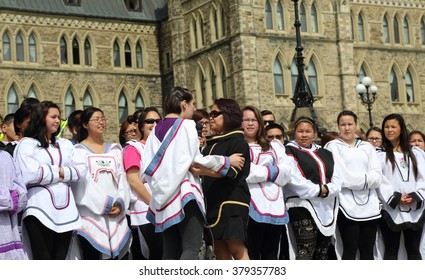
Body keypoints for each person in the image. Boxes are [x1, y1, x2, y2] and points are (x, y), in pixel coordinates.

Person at [142, 87, 244, 260]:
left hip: (162, 198)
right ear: (183, 104)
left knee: (171, 250)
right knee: (191, 246)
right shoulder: (187, 125)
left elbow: (146, 169)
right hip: (185, 194)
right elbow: (196, 161)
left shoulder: (155, 131)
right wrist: (227, 161)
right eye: (193, 104)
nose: (194, 109)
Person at [14, 101, 86, 259]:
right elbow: (30, 174)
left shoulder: (65, 144)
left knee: (60, 259)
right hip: (38, 209)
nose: (57, 120)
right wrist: (63, 173)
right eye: (53, 116)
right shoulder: (27, 144)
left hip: (67, 210)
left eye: (59, 117)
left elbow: (82, 169)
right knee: (42, 258)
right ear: (41, 118)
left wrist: (54, 172)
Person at [195, 98, 251, 260]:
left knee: (237, 250)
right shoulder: (211, 144)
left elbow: (231, 172)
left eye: (215, 113)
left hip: (231, 203)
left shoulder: (238, 141)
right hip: (212, 203)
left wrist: (203, 170)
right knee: (221, 253)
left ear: (227, 115)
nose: (210, 118)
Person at [72, 107, 131, 260]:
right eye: (96, 119)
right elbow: (83, 183)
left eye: (103, 119)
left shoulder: (115, 150)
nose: (101, 122)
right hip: (91, 215)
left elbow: (122, 179)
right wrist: (105, 204)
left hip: (116, 214)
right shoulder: (78, 152)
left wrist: (119, 203)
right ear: (85, 125)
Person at [324, 110, 382, 260]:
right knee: (350, 248)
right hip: (346, 204)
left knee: (368, 250)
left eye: (350, 124)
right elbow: (342, 177)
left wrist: (360, 181)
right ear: (338, 126)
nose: (347, 128)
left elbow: (377, 176)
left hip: (370, 204)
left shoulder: (367, 147)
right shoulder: (333, 146)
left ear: (356, 125)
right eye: (343, 124)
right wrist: (366, 181)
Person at [285, 116, 341, 259]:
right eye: (300, 131)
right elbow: (294, 178)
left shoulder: (325, 152)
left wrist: (329, 190)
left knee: (322, 250)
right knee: (305, 250)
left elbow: (337, 177)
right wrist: (318, 190)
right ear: (294, 133)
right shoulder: (289, 151)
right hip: (302, 205)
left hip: (326, 204)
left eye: (308, 131)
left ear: (314, 134)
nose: (304, 135)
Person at [241, 105, 292, 260]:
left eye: (254, 120)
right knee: (252, 253)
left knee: (271, 254)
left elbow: (287, 172)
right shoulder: (238, 145)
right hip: (250, 205)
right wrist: (272, 171)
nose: (250, 124)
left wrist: (261, 171)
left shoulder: (274, 146)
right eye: (246, 120)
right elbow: (245, 173)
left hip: (275, 204)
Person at [377, 114, 425, 260]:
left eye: (393, 127)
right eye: (386, 127)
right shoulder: (379, 154)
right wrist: (395, 198)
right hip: (391, 208)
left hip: (414, 207)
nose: (389, 130)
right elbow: (380, 180)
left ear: (401, 129)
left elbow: (422, 177)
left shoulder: (416, 153)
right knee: (391, 250)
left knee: (413, 250)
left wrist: (416, 195)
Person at [123, 107, 163, 260]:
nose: (154, 124)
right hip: (146, 212)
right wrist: (154, 204)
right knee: (154, 256)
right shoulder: (134, 148)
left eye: (158, 121)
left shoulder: (165, 147)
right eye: (149, 121)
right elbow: (134, 181)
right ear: (141, 125)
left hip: (167, 209)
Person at [0, 149, 27, 260]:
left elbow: (21, 190)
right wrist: (8, 196)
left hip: (10, 235)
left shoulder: (6, 156)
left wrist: (17, 196)